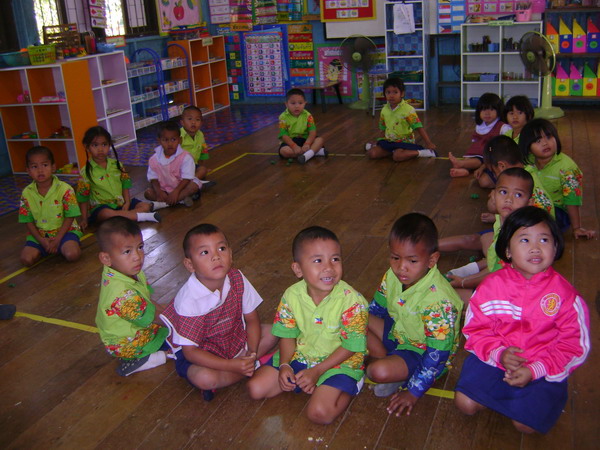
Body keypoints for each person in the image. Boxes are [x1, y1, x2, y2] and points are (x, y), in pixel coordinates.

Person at [455, 206, 590, 434]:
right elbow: (475, 330)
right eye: (525, 240)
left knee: (526, 426)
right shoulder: (491, 287)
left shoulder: (565, 296)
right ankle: (506, 395)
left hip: (544, 366)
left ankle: (532, 397)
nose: (535, 248)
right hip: (496, 359)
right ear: (508, 250)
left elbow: (574, 346)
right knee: (465, 404)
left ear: (555, 247)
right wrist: (499, 353)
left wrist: (536, 369)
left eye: (544, 240)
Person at [247, 226, 368, 424]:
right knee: (256, 388)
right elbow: (287, 334)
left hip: (340, 363)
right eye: (318, 261)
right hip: (301, 356)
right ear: (298, 269)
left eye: (335, 259)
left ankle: (353, 383)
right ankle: (307, 380)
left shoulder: (352, 302)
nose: (329, 267)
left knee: (319, 413)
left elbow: (350, 346)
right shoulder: (292, 295)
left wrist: (318, 371)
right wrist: (285, 364)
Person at [160, 224, 277, 399]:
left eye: (221, 249)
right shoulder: (188, 300)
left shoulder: (236, 277)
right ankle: (251, 367)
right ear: (190, 264)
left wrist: (251, 353)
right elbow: (191, 353)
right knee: (205, 378)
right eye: (205, 252)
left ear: (231, 254)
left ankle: (248, 365)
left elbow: (252, 319)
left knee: (274, 331)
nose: (216, 256)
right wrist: (231, 365)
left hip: (232, 338)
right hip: (202, 353)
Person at [366, 213, 463, 417]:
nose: (401, 267)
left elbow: (437, 354)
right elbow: (375, 309)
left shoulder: (439, 302)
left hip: (422, 352)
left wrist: (413, 392)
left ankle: (405, 373)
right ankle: (393, 365)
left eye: (412, 260)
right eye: (395, 258)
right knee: (354, 316)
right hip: (397, 332)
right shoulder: (392, 275)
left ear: (432, 260)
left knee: (376, 372)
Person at [95, 217, 170, 376]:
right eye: (127, 251)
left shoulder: (128, 271)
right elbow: (153, 317)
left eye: (140, 247)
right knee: (179, 344)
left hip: (137, 327)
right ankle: (141, 359)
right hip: (126, 343)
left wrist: (171, 316)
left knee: (172, 322)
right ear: (106, 258)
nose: (137, 256)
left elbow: (147, 302)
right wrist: (178, 323)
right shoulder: (121, 294)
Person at [444, 168, 535, 299]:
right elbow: (494, 267)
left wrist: (464, 283)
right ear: (493, 195)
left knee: (447, 296)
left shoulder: (518, 238)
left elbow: (495, 275)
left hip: (511, 296)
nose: (509, 199)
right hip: (498, 280)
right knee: (487, 239)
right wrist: (465, 278)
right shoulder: (500, 221)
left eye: (518, 195)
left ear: (530, 202)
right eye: (503, 192)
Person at [520, 118, 596, 239]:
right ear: (529, 148)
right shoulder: (527, 162)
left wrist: (576, 228)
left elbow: (572, 200)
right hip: (532, 205)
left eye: (549, 137)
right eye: (538, 141)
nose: (545, 143)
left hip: (558, 211)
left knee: (534, 223)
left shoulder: (567, 168)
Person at [76, 126, 159, 230]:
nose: (100, 149)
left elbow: (125, 185)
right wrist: (84, 219)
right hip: (102, 208)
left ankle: (124, 217)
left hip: (121, 203)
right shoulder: (85, 172)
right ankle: (141, 217)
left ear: (109, 145)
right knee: (106, 214)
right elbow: (83, 198)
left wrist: (127, 202)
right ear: (87, 147)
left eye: (104, 144)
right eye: (95, 145)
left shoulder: (117, 165)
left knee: (145, 206)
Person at [19, 146, 82, 266]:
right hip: (40, 235)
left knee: (72, 254)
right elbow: (27, 220)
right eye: (34, 166)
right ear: (28, 170)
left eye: (45, 165)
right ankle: (47, 247)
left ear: (53, 167)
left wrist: (57, 239)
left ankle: (63, 245)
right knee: (26, 259)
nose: (40, 170)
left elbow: (70, 216)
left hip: (65, 232)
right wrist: (41, 240)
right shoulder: (26, 193)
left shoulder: (65, 189)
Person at [479, 135, 554, 221]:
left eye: (493, 172)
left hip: (532, 224)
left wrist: (495, 202)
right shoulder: (527, 171)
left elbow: (494, 207)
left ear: (501, 166)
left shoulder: (515, 182)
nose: (494, 176)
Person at [365, 77, 437, 161]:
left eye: (395, 92)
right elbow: (383, 128)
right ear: (385, 94)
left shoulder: (408, 110)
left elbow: (418, 127)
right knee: (372, 153)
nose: (391, 95)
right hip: (389, 141)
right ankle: (390, 150)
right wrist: (380, 142)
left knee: (397, 156)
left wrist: (428, 143)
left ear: (402, 94)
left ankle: (423, 152)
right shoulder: (384, 110)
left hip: (404, 142)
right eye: (388, 92)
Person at [476, 97, 534, 188]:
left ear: (529, 115)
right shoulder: (507, 134)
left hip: (524, 170)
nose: (515, 117)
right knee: (484, 181)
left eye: (519, 113)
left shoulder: (529, 136)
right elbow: (495, 153)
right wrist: (483, 167)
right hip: (505, 168)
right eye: (511, 113)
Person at [144, 120, 201, 208]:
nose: (170, 144)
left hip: (181, 188)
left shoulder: (185, 157)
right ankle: (180, 200)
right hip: (164, 190)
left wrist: (176, 192)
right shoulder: (154, 159)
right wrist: (159, 191)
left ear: (180, 140)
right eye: (165, 140)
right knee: (148, 193)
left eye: (173, 139)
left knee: (193, 186)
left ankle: (164, 204)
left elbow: (187, 178)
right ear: (159, 141)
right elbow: (153, 178)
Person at [449, 93, 508, 178]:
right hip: (477, 151)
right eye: (483, 110)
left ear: (498, 111)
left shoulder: (502, 126)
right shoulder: (480, 125)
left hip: (490, 153)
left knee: (478, 160)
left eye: (491, 110)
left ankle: (461, 164)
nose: (487, 113)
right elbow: (475, 140)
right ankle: (464, 169)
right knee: (469, 159)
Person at [278, 88, 327, 164]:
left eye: (300, 103)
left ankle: (307, 155)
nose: (297, 106)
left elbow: (312, 132)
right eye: (293, 103)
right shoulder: (283, 117)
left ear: (305, 103)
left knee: (320, 140)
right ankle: (312, 153)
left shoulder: (308, 115)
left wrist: (307, 143)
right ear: (286, 104)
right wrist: (294, 146)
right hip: (291, 141)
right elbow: (284, 135)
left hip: (306, 140)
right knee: (284, 151)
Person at [179, 105, 213, 183]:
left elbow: (203, 152)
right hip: (179, 167)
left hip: (193, 166)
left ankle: (189, 182)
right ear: (182, 122)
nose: (193, 122)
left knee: (203, 170)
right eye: (189, 119)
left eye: (197, 120)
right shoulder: (179, 136)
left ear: (201, 123)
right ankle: (190, 182)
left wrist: (202, 167)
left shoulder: (200, 135)